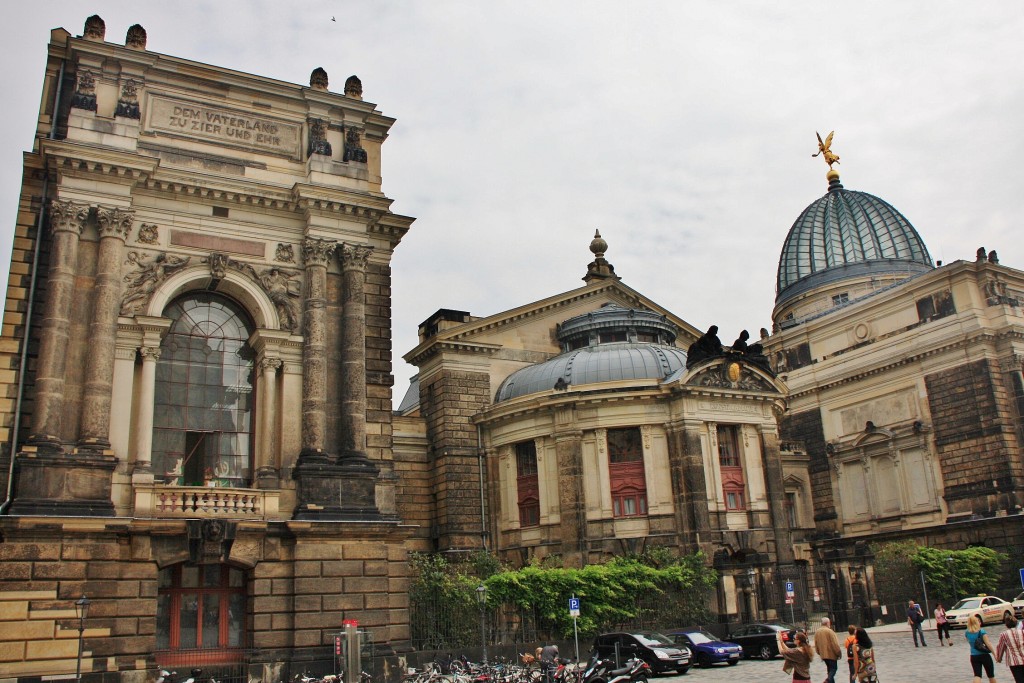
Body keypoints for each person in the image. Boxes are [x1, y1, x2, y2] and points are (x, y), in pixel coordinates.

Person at [966, 614, 997, 683]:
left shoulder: (967, 632)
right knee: (991, 675)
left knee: (977, 675)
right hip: (984, 656)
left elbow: (969, 642)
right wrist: (995, 654)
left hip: (973, 656)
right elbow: (988, 644)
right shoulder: (981, 631)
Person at [996, 614, 1024, 682]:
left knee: (1019, 680)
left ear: (1006, 625)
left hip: (1013, 661)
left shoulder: (1004, 634)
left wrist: (999, 658)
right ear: (1016, 623)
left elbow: (1000, 647)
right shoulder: (1022, 632)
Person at [815, 617, 842, 683]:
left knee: (829, 670)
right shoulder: (830, 631)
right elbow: (835, 644)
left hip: (823, 654)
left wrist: (819, 652)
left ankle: (830, 680)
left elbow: (816, 644)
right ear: (827, 623)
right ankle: (828, 680)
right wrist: (839, 653)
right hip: (831, 654)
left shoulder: (817, 632)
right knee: (833, 669)